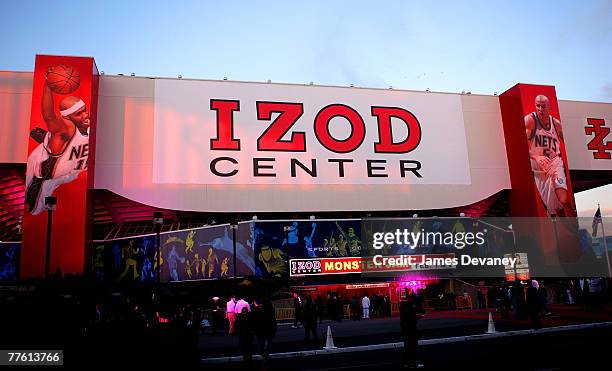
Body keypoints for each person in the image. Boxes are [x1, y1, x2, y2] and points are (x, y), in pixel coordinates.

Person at [25, 65, 91, 215]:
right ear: (68, 117)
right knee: (35, 211)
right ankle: (47, 143)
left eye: (85, 110)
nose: (85, 115)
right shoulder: (66, 129)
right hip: (49, 173)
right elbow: (48, 115)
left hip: (71, 170)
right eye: (78, 114)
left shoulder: (90, 124)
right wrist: (48, 86)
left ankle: (46, 139)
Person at [524, 95, 573, 216]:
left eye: (543, 106)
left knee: (564, 200)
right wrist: (536, 157)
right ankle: (567, 233)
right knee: (555, 209)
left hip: (554, 162)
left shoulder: (556, 124)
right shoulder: (530, 120)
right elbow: (519, 145)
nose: (540, 109)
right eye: (537, 106)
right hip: (539, 168)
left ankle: (573, 223)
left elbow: (569, 143)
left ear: (549, 108)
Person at [400, 291, 424, 369]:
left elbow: (404, 316)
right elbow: (411, 316)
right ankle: (413, 364)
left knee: (406, 346)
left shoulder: (403, 305)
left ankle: (406, 363)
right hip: (411, 329)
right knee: (413, 347)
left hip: (405, 328)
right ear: (412, 299)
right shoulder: (411, 306)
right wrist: (418, 316)